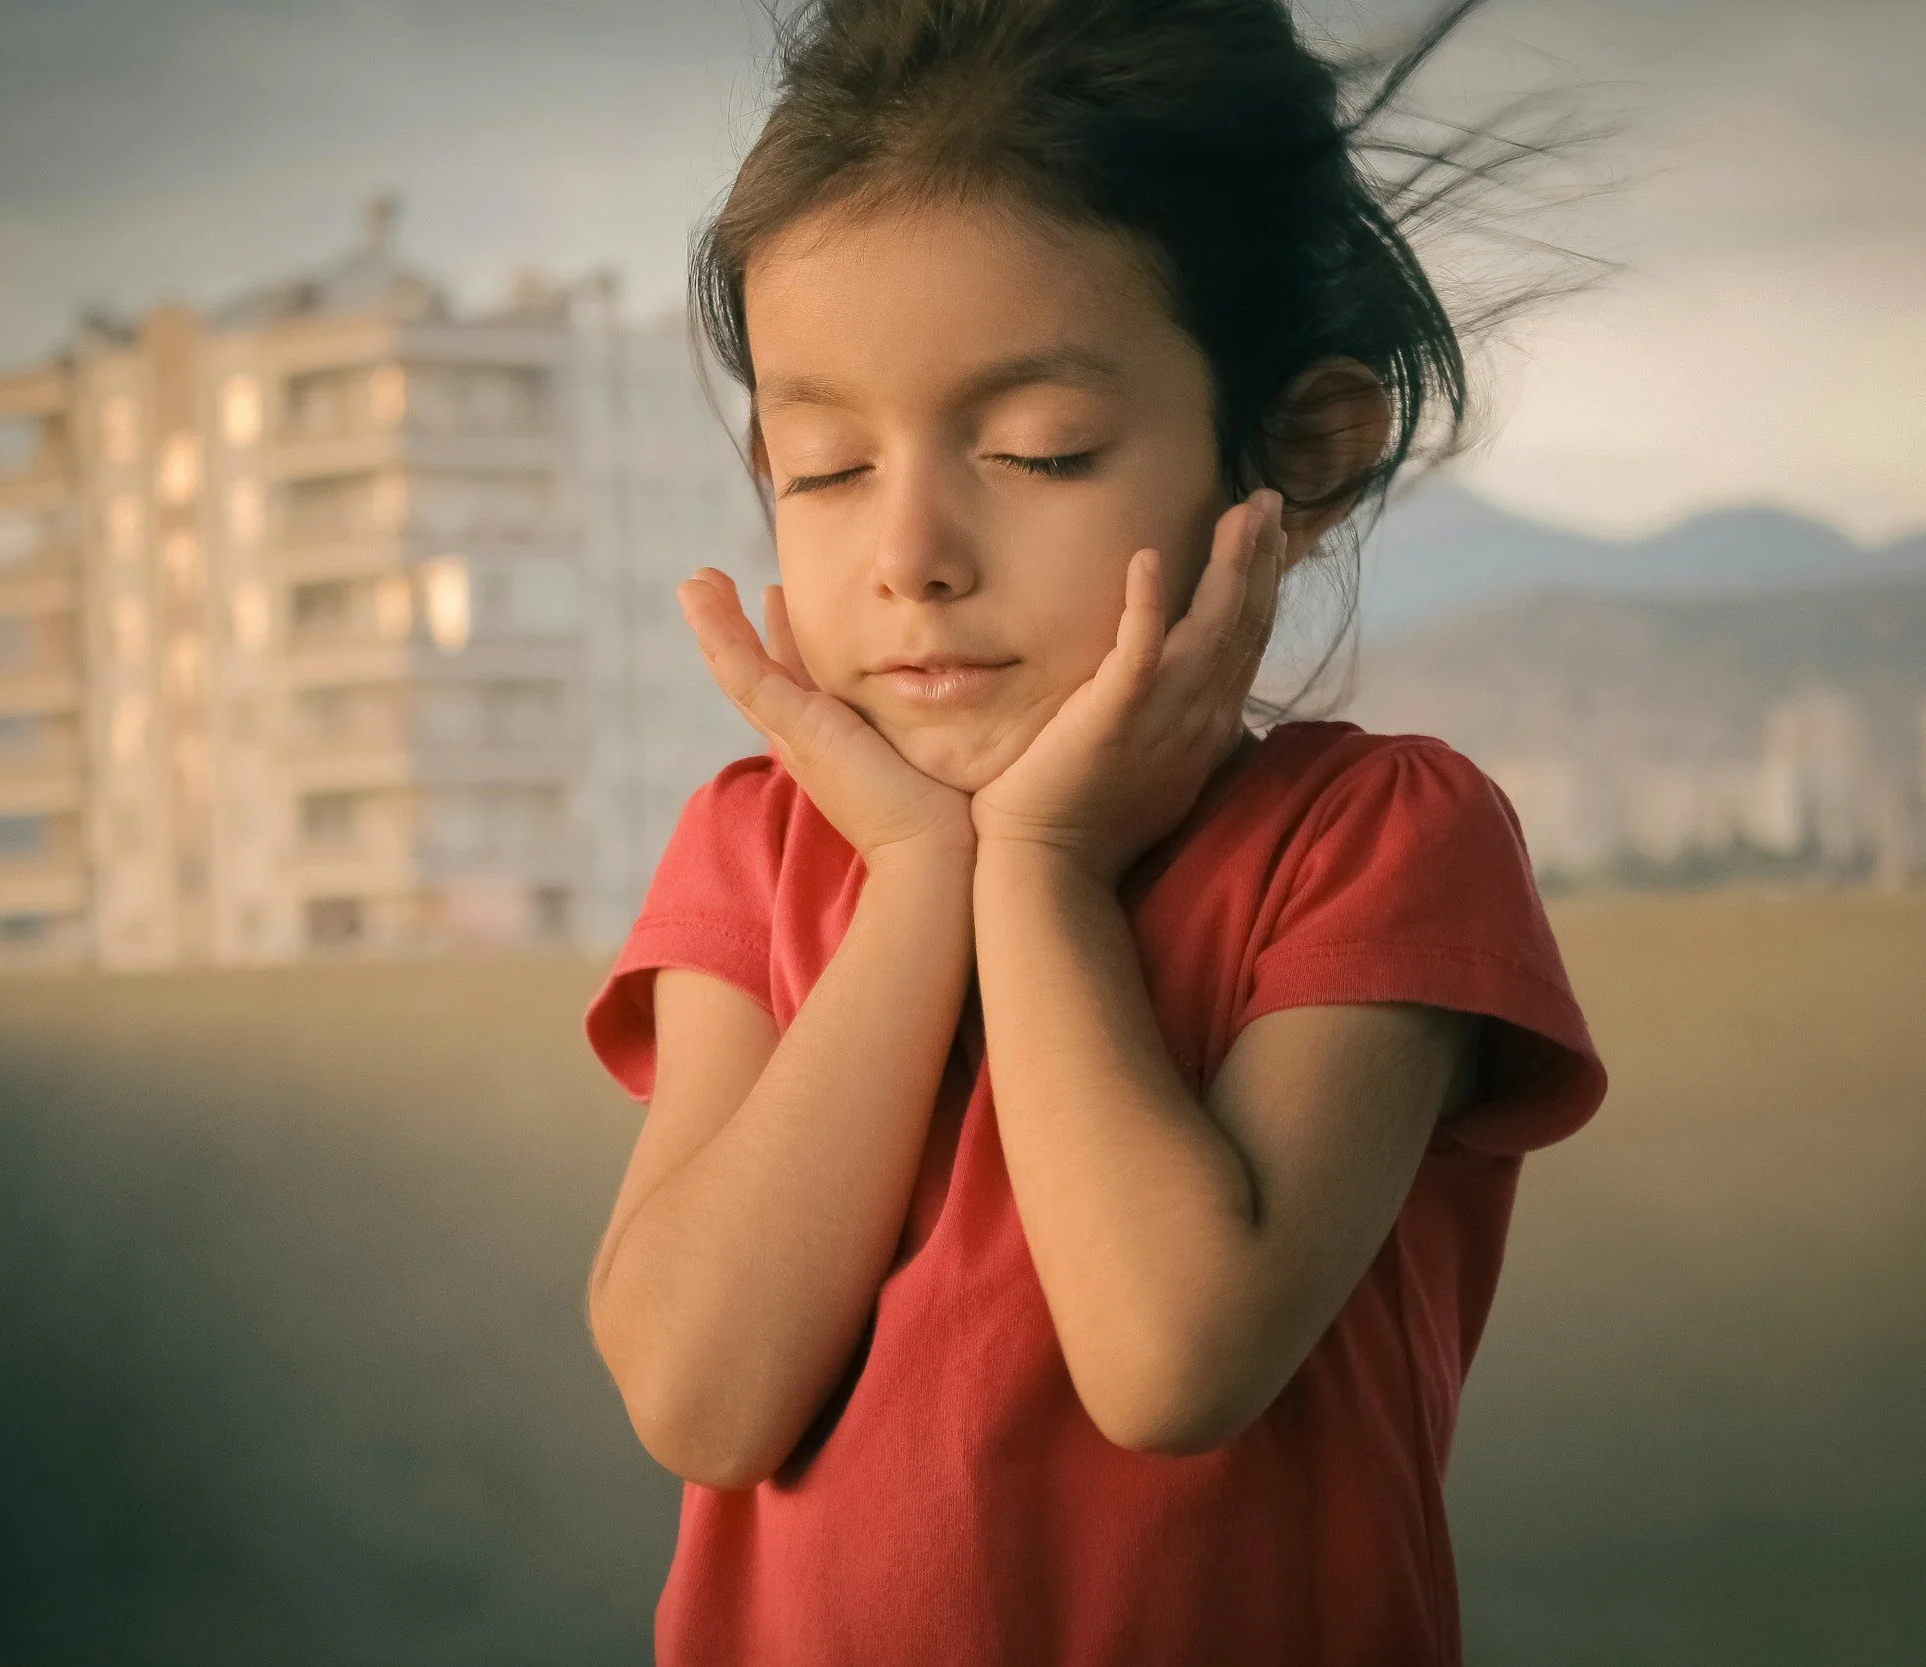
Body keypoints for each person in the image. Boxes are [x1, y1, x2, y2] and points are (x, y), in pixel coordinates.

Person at [582, 1, 1607, 1660]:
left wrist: (1039, 873)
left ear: (1300, 450)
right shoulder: (754, 854)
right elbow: (701, 1394)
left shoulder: (1376, 844)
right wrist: (922, 877)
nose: (910, 552)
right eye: (825, 465)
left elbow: (1174, 1357)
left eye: (1036, 449)